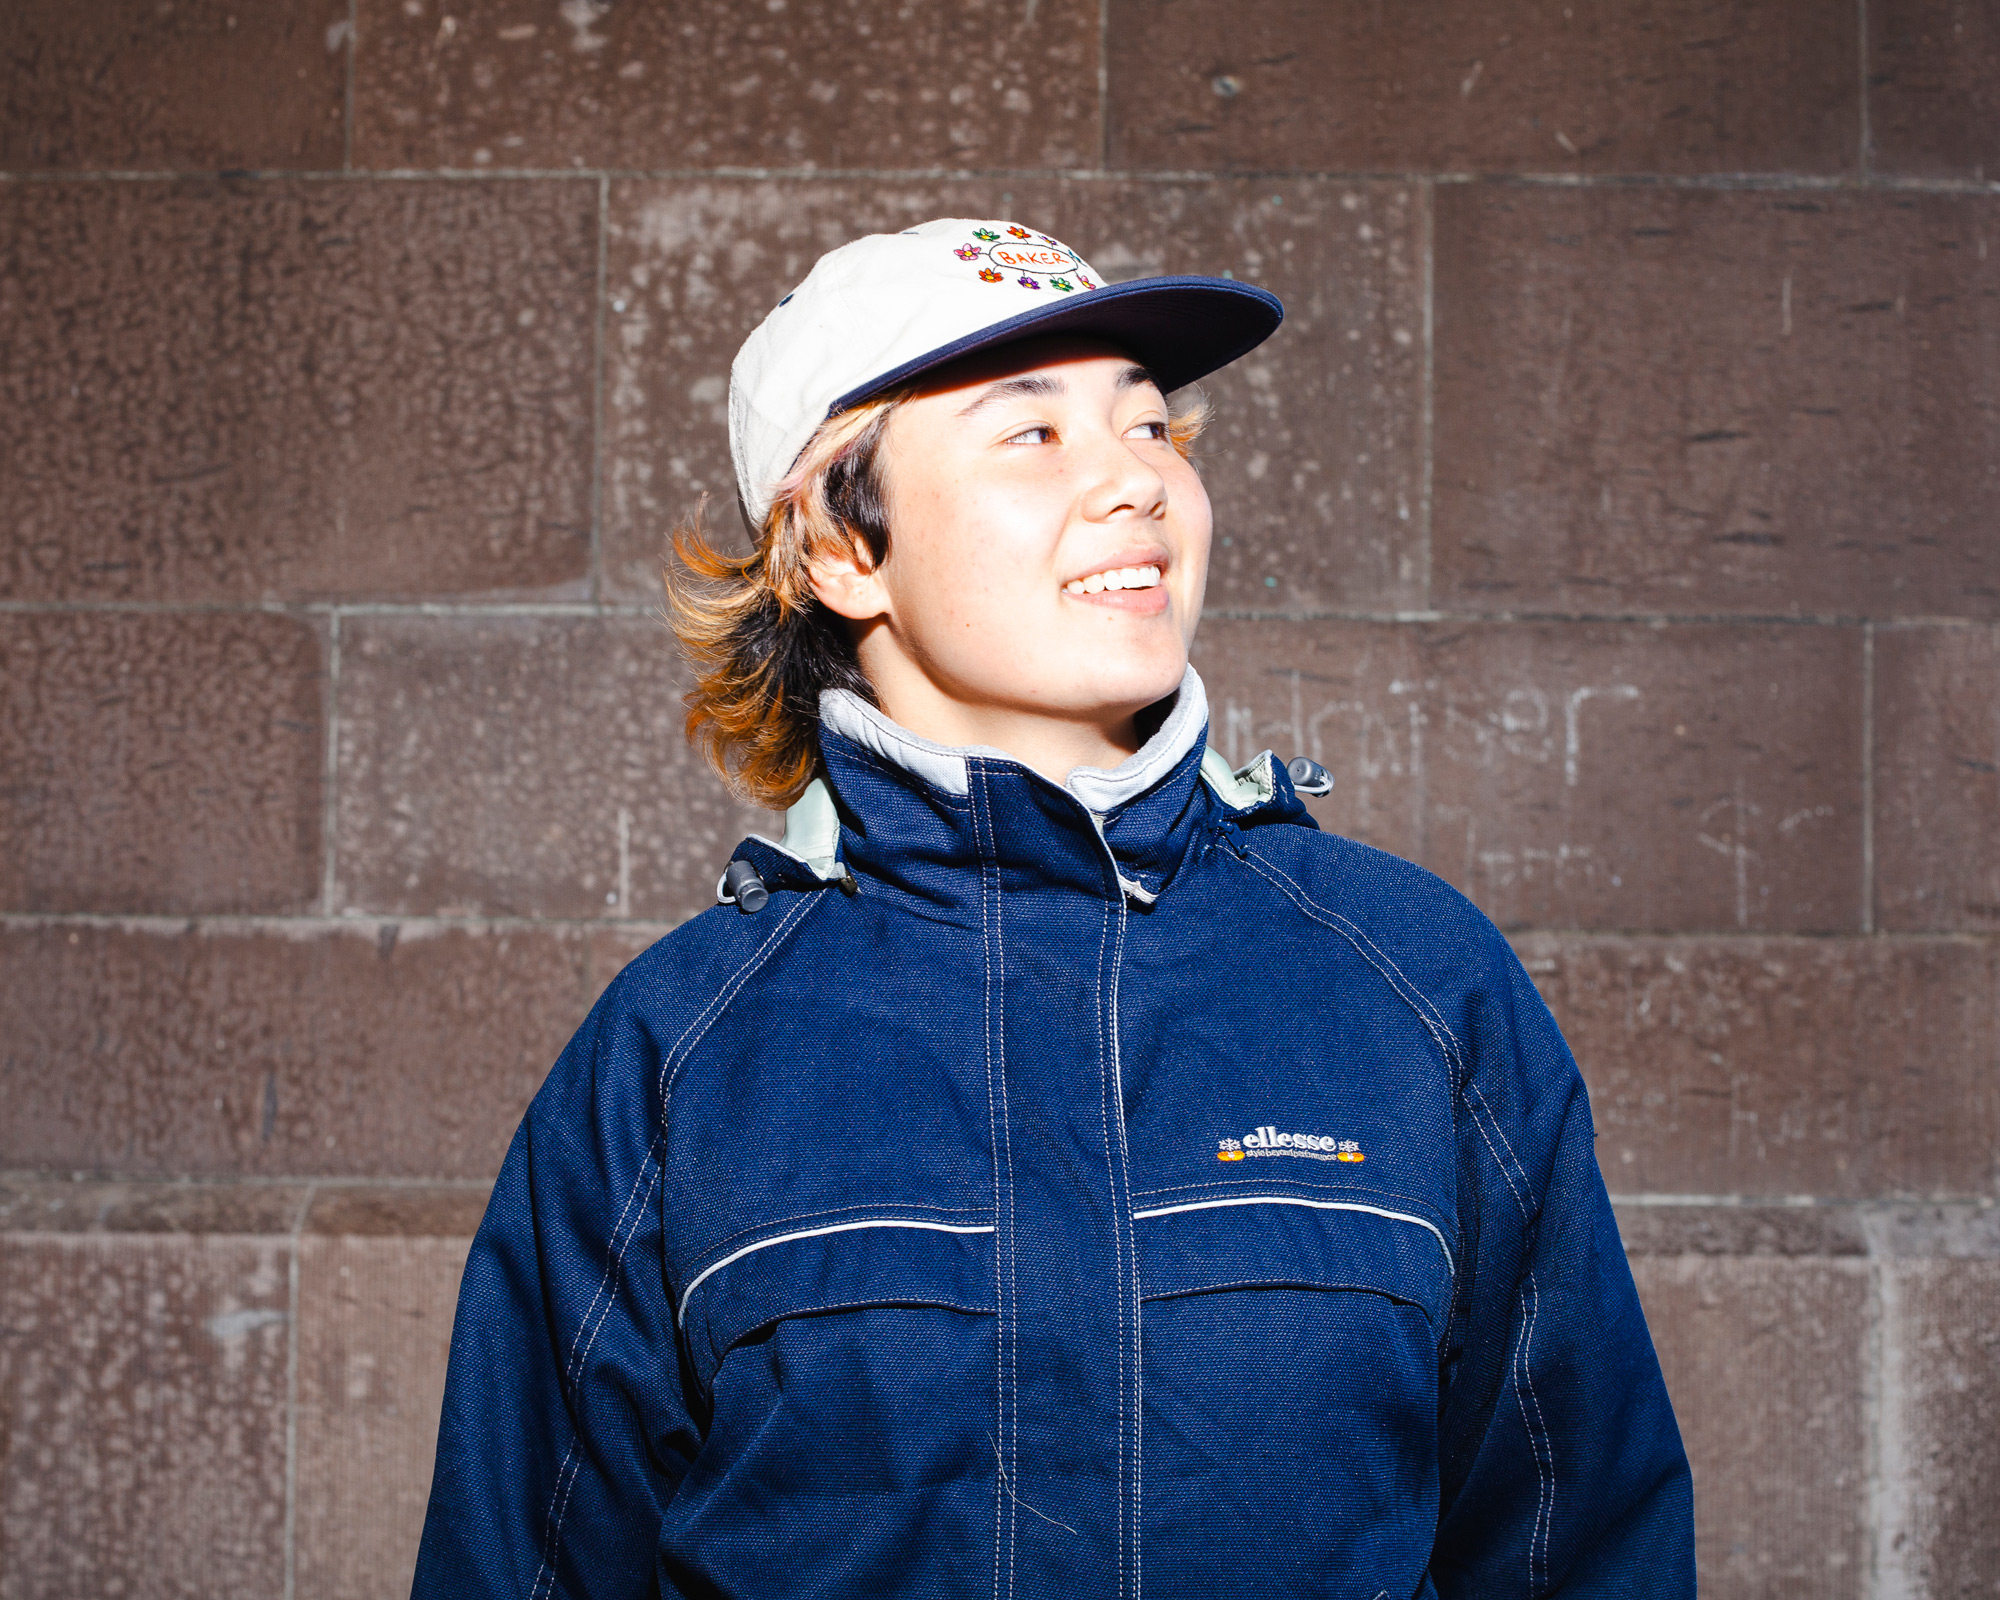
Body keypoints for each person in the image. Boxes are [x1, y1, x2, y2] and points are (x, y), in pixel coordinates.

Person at [411, 218, 1694, 1599]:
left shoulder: (1416, 982)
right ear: (842, 545)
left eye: (1152, 429)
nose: (1135, 483)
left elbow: (1585, 1537)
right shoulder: (676, 1058)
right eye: (1033, 436)